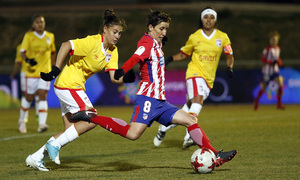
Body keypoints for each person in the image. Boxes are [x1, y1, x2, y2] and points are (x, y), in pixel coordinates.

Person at [70, 10, 237, 169]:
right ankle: (93, 117)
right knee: (132, 134)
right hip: (148, 99)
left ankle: (215, 154)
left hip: (160, 101)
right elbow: (136, 57)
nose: (164, 32)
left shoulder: (156, 43)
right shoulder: (147, 42)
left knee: (190, 120)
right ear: (150, 27)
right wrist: (123, 70)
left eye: (165, 29)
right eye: (161, 29)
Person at [25, 9, 132, 171]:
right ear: (105, 29)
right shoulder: (93, 42)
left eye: (120, 33)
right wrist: (55, 69)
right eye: (114, 32)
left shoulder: (112, 51)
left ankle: (35, 157)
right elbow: (66, 45)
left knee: (69, 132)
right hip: (68, 84)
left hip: (71, 86)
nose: (117, 36)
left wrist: (126, 78)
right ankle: (53, 145)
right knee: (92, 117)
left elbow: (113, 77)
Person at [153, 7, 234, 148]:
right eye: (205, 17)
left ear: (215, 20)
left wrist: (229, 67)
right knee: (198, 100)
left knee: (190, 106)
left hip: (209, 79)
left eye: (211, 17)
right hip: (194, 73)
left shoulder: (222, 37)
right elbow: (184, 54)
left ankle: (164, 127)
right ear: (201, 19)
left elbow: (229, 55)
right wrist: (169, 60)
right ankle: (190, 135)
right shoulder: (195, 36)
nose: (208, 20)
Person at [18, 15, 56, 133]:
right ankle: (22, 121)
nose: (40, 24)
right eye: (37, 22)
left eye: (42, 22)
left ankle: (42, 124)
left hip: (45, 71)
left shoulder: (50, 36)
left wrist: (54, 68)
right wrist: (28, 60)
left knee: (42, 95)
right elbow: (22, 52)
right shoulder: (29, 36)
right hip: (32, 72)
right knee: (29, 97)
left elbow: (53, 52)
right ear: (33, 25)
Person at [10, 43, 41, 133]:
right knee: (26, 95)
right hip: (25, 73)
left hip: (38, 72)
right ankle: (24, 117)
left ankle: (39, 114)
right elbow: (18, 61)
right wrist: (14, 72)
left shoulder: (41, 44)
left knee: (40, 93)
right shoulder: (20, 47)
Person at [254, 31, 285, 110]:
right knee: (264, 87)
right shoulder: (267, 49)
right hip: (267, 72)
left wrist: (280, 63)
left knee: (280, 83)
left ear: (277, 41)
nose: (274, 41)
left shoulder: (278, 49)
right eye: (272, 39)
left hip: (275, 71)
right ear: (270, 40)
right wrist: (270, 63)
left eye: (275, 39)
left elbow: (277, 58)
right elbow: (262, 58)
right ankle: (256, 102)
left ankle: (279, 104)